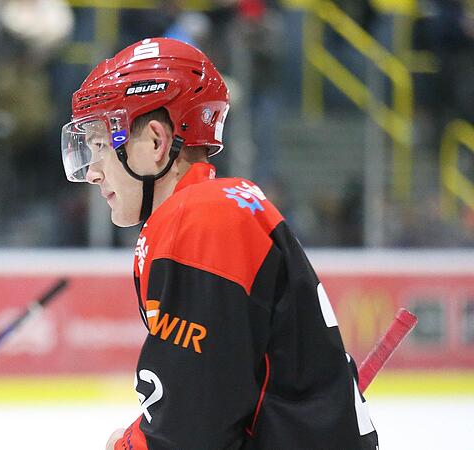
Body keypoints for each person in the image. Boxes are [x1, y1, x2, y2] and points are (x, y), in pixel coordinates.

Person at [60, 38, 378, 449]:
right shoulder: (215, 209)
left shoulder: (199, 219)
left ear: (156, 142)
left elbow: (192, 425)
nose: (93, 173)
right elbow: (212, 395)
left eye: (101, 144)